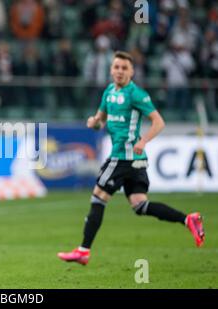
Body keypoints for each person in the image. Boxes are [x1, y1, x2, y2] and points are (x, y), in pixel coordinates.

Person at [57, 51, 205, 266]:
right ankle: (187, 219)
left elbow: (159, 122)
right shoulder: (108, 92)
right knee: (139, 204)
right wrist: (94, 122)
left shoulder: (137, 94)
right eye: (116, 67)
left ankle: (83, 251)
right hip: (135, 162)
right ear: (111, 69)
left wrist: (143, 140)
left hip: (123, 157)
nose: (119, 71)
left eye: (124, 68)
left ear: (132, 72)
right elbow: (101, 120)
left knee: (98, 196)